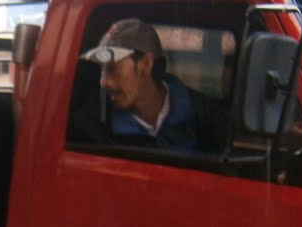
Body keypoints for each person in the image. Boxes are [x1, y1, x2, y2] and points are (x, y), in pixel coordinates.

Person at [78, 18, 226, 152]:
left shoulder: (203, 113)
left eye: (113, 69)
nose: (104, 82)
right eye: (102, 70)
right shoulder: (94, 124)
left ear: (146, 63)